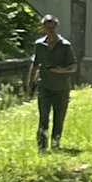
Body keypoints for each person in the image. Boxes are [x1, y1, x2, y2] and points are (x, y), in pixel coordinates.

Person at [26, 14, 78, 151]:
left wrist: (62, 70)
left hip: (61, 88)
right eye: (46, 25)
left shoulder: (65, 45)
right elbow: (35, 65)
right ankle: (42, 148)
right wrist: (29, 84)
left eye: (52, 25)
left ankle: (55, 145)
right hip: (45, 87)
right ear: (43, 27)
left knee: (58, 118)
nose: (50, 28)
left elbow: (74, 67)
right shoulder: (39, 45)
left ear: (56, 26)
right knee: (43, 117)